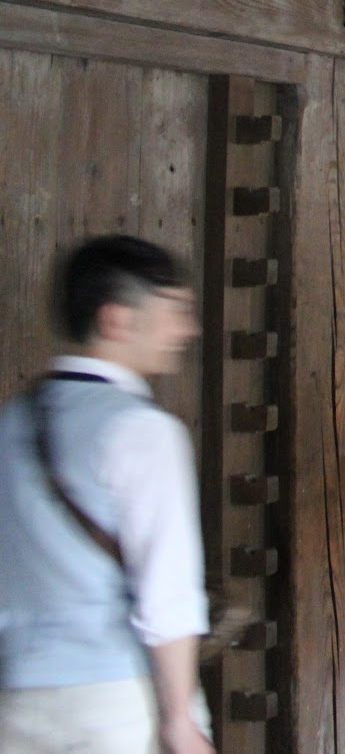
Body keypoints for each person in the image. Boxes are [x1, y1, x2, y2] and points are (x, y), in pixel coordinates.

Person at [0, 236, 212, 754]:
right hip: (115, 701)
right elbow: (167, 590)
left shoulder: (9, 423)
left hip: (16, 701)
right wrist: (179, 719)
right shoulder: (143, 431)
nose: (188, 330)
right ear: (116, 320)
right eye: (175, 311)